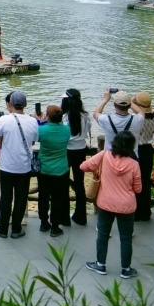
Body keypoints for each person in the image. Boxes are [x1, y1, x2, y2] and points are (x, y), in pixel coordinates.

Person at [81, 132, 142, 279]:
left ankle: (100, 264)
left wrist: (98, 169)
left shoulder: (104, 155)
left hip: (105, 202)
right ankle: (126, 269)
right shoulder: (134, 164)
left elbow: (83, 166)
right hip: (127, 206)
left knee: (102, 234)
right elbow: (138, 189)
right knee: (126, 238)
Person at [0, 91, 38, 239]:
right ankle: (16, 229)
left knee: (6, 197)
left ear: (10, 104)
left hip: (7, 165)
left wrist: (6, 147)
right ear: (25, 105)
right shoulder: (32, 121)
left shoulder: (4, 120)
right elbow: (33, 141)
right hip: (24, 166)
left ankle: (2, 228)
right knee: (21, 197)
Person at [36, 105, 71, 237]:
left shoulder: (42, 130)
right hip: (61, 169)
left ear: (48, 116)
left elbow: (36, 137)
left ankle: (44, 222)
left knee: (43, 196)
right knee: (58, 198)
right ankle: (55, 226)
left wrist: (42, 121)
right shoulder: (67, 130)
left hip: (44, 169)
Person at [61, 89, 92, 226]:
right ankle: (81, 216)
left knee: (63, 184)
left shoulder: (64, 117)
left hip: (66, 152)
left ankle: (64, 217)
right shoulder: (85, 116)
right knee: (79, 184)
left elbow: (63, 135)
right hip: (81, 151)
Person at [93, 89, 145, 157]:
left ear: (114, 105)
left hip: (111, 159)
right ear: (129, 105)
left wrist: (105, 99)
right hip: (130, 159)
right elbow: (141, 112)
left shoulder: (106, 119)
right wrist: (126, 99)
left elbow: (96, 114)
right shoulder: (138, 119)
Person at [132, 92, 154, 221]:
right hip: (149, 149)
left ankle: (136, 212)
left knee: (135, 181)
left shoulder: (137, 119)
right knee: (145, 181)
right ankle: (145, 211)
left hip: (138, 150)